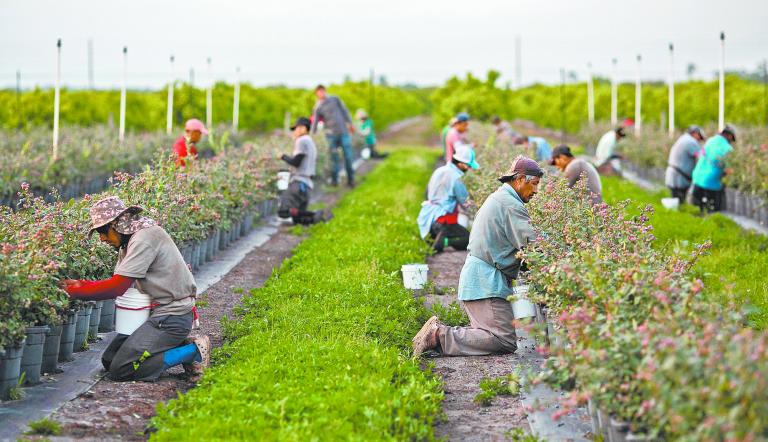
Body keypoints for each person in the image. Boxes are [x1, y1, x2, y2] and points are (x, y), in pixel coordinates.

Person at [61, 196, 210, 381]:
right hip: (156, 314)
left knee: (122, 368)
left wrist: (74, 292)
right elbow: (118, 280)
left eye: (102, 231)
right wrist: (80, 284)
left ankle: (193, 351)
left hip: (172, 317)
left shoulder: (143, 239)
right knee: (110, 360)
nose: (102, 238)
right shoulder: (129, 241)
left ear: (116, 225)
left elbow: (117, 287)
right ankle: (177, 344)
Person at [413, 156, 543, 357]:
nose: (536, 190)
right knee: (503, 339)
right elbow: (534, 247)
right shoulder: (510, 204)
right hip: (486, 283)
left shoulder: (501, 198)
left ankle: (440, 335)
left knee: (493, 335)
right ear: (519, 180)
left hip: (481, 279)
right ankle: (439, 335)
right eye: (534, 184)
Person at [417, 142, 479, 252]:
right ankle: (444, 241)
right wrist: (478, 214)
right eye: (469, 165)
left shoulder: (439, 170)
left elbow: (426, 193)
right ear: (460, 164)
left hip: (428, 218)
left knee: (448, 231)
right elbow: (465, 203)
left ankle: (434, 238)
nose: (469, 168)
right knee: (471, 240)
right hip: (442, 221)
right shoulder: (457, 178)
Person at [278, 117, 328, 225]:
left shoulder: (302, 141)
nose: (294, 132)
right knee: (297, 218)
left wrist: (282, 156)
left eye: (296, 129)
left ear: (303, 128)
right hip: (307, 185)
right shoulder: (310, 141)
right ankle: (318, 217)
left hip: (299, 183)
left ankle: (316, 215)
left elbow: (296, 162)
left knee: (283, 211)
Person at [311, 85, 356, 187]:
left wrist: (350, 124)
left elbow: (344, 111)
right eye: (319, 92)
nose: (321, 93)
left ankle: (351, 179)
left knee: (348, 156)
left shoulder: (334, 99)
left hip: (343, 132)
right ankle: (335, 180)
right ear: (316, 94)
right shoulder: (317, 107)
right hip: (330, 135)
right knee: (334, 158)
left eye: (322, 91)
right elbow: (315, 122)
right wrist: (311, 135)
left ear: (325, 91)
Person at [691, 125, 736, 213]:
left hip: (697, 178)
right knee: (713, 211)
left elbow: (700, 155)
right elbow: (729, 170)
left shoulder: (710, 140)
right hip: (712, 183)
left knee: (697, 211)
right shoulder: (727, 148)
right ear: (730, 136)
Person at [665, 126, 705, 204]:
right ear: (695, 133)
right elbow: (702, 156)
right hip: (679, 177)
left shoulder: (684, 139)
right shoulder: (691, 142)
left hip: (675, 175)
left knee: (676, 200)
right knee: (679, 201)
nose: (699, 140)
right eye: (700, 137)